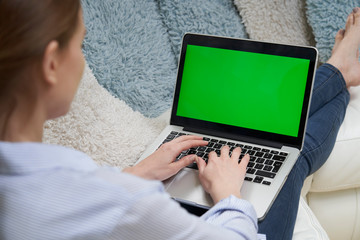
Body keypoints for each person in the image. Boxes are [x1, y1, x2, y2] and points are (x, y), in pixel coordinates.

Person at [0, 0, 359, 239]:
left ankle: (339, 70)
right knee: (295, 157)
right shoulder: (125, 202)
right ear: (50, 64)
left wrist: (135, 174)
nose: (81, 62)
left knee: (284, 146)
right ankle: (340, 71)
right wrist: (230, 195)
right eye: (79, 46)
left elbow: (80, 204)